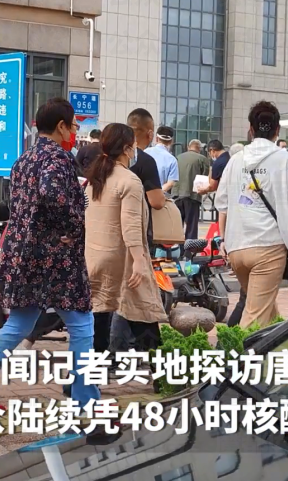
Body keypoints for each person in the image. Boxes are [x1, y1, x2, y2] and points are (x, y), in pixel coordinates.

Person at [0, 98, 99, 408]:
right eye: (72, 126)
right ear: (61, 126)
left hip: (23, 254)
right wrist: (70, 225)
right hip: (55, 258)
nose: (73, 132)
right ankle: (85, 398)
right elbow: (52, 195)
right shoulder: (59, 159)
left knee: (19, 325)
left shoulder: (23, 160)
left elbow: (21, 205)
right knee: (81, 325)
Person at [215, 101, 288, 328]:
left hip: (237, 247)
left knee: (265, 308)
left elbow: (221, 201)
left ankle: (278, 344)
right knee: (255, 317)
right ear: (277, 130)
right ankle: (238, 351)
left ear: (251, 129)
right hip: (268, 246)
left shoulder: (235, 160)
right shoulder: (285, 159)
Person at [84, 123, 166, 353]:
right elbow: (130, 224)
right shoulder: (129, 181)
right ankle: (159, 367)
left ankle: (92, 371)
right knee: (143, 311)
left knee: (99, 314)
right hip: (123, 258)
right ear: (127, 148)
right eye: (133, 146)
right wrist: (139, 260)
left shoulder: (95, 178)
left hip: (95, 256)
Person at [115, 108, 168, 350]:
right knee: (136, 291)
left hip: (106, 236)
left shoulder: (104, 160)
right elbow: (156, 201)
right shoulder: (144, 161)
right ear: (149, 133)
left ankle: (119, 348)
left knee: (114, 294)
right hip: (135, 235)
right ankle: (123, 349)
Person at [174, 139, 210, 240]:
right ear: (199, 148)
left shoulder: (178, 157)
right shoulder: (202, 159)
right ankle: (190, 248)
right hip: (193, 195)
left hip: (177, 194)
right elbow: (205, 177)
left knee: (177, 225)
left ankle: (178, 246)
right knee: (191, 226)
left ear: (188, 147)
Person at [144, 126, 179, 194]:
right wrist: (156, 194)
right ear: (171, 141)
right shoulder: (172, 160)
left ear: (156, 139)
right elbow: (170, 183)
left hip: (141, 194)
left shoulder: (144, 152)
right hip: (159, 196)